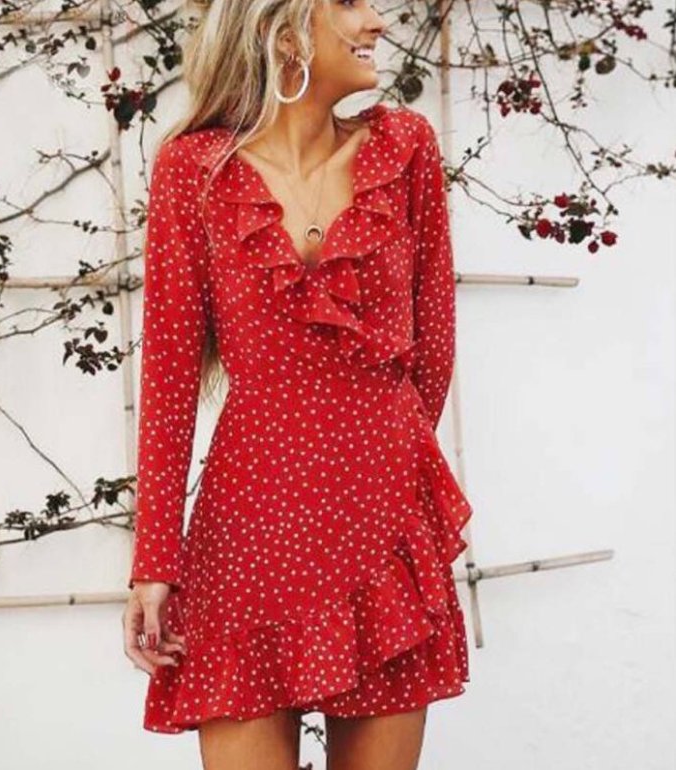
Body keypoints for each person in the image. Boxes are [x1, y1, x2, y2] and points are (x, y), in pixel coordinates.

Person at [122, 1, 474, 768]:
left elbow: (433, 350)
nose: (378, 21)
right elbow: (170, 381)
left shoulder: (405, 148)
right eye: (349, 2)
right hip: (248, 536)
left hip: (380, 534)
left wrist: (384, 474)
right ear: (281, 30)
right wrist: (154, 562)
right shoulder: (194, 169)